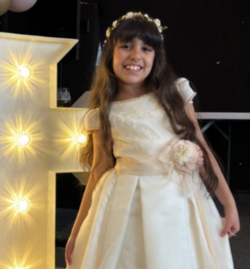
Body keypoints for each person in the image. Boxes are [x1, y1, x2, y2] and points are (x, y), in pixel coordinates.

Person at [65, 12, 239, 269]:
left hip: (177, 200)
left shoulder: (175, 93)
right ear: (110, 53)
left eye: (146, 48)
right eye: (126, 46)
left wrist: (229, 203)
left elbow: (203, 150)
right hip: (125, 202)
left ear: (156, 56)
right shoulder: (103, 112)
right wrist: (77, 230)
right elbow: (98, 172)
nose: (135, 55)